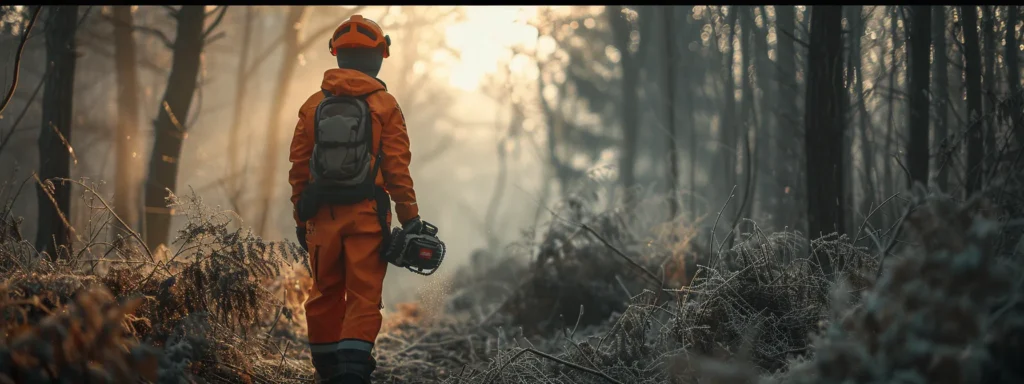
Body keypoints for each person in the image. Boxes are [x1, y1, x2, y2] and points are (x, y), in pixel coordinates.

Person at [287, 14, 421, 384]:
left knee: (324, 292)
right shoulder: (385, 105)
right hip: (367, 218)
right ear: (380, 56)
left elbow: (299, 167)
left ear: (337, 54)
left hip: (320, 219)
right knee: (363, 297)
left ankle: (328, 373)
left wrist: (302, 218)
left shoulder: (313, 105)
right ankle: (352, 372)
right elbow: (397, 170)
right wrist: (411, 220)